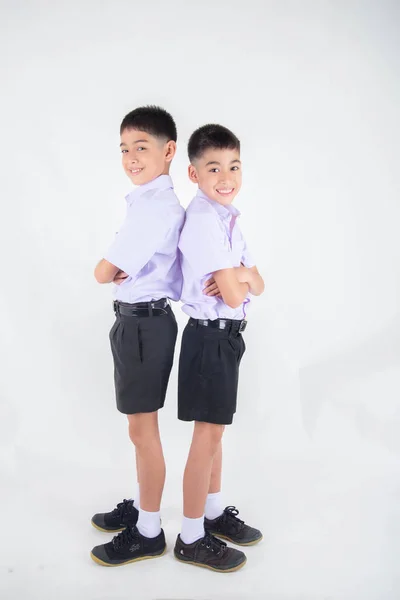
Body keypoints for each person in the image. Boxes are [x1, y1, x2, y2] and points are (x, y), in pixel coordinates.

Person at [90, 106, 185, 567]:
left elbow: (102, 271)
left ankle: (149, 530)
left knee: (143, 431)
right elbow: (114, 270)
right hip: (137, 321)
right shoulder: (146, 202)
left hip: (146, 324)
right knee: (138, 429)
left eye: (141, 147)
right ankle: (144, 505)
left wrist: (112, 267)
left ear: (168, 151)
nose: (130, 158)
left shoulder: (157, 206)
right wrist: (116, 269)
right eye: (125, 149)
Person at [174, 124, 265, 572]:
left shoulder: (228, 217)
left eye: (233, 166)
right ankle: (191, 537)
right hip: (209, 336)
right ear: (193, 174)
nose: (226, 176)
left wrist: (243, 274)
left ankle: (212, 513)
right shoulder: (206, 220)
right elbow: (232, 294)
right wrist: (243, 277)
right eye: (214, 168)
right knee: (205, 436)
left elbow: (257, 284)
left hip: (227, 337)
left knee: (217, 435)